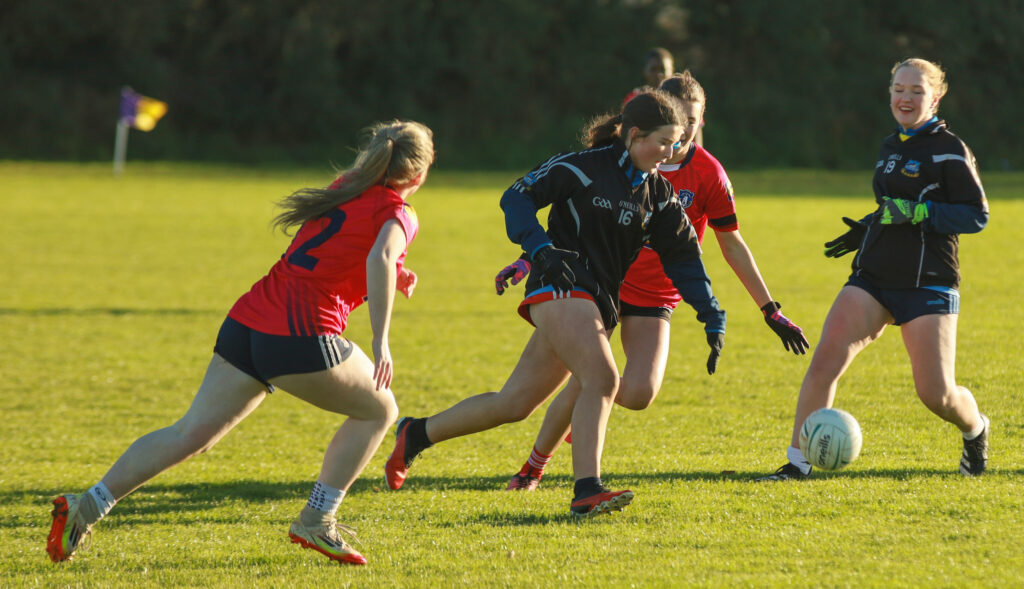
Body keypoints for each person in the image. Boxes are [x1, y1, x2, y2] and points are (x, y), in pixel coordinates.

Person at [46, 120, 435, 565]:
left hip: (247, 323)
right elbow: (381, 255)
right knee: (381, 409)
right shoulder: (399, 212)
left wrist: (392, 272)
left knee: (190, 433)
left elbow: (347, 251)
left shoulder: (345, 186)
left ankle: (86, 506)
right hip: (298, 334)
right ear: (420, 175)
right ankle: (317, 520)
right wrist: (382, 341)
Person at [383, 91, 727, 517]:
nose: (671, 153)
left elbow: (684, 260)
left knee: (514, 404)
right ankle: (587, 489)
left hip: (595, 302)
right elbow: (516, 197)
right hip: (558, 284)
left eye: (676, 144)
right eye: (664, 142)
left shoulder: (658, 196)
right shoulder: (582, 167)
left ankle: (416, 434)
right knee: (602, 378)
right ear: (635, 135)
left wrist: (711, 313)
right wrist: (540, 248)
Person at [497, 71, 808, 491]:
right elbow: (578, 216)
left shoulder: (709, 174)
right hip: (599, 282)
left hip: (656, 293)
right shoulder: (619, 156)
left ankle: (587, 405)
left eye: (693, 124)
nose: (680, 140)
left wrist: (769, 308)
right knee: (581, 382)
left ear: (700, 122)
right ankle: (535, 467)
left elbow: (730, 244)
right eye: (675, 126)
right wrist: (525, 257)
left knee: (636, 392)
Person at [758, 58, 990, 481]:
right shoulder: (891, 146)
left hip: (928, 282)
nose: (906, 97)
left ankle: (975, 428)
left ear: (935, 98)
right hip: (874, 276)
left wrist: (920, 212)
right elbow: (892, 206)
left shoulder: (949, 149)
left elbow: (976, 215)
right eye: (899, 89)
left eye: (917, 91)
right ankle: (797, 463)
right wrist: (869, 226)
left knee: (936, 395)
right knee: (825, 359)